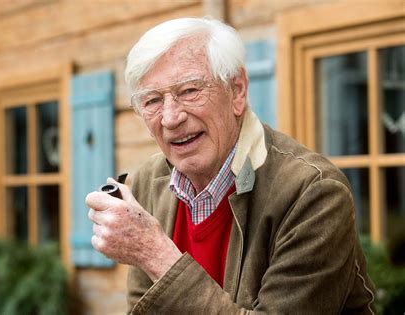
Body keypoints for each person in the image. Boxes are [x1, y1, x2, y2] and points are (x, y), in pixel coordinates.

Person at [85, 17, 375, 314]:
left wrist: (154, 253)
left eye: (189, 91)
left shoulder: (314, 193)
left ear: (237, 91)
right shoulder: (148, 180)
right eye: (152, 101)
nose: (171, 118)